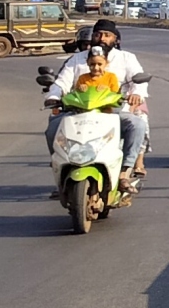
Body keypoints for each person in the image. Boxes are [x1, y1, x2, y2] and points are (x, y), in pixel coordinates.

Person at [45, 19, 150, 195]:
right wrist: (54, 96)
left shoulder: (126, 58)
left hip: (113, 112)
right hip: (78, 112)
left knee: (137, 125)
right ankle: (61, 173)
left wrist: (136, 94)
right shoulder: (77, 59)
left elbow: (138, 80)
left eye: (107, 35)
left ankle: (125, 173)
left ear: (115, 40)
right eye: (97, 34)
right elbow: (62, 82)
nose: (101, 38)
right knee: (53, 128)